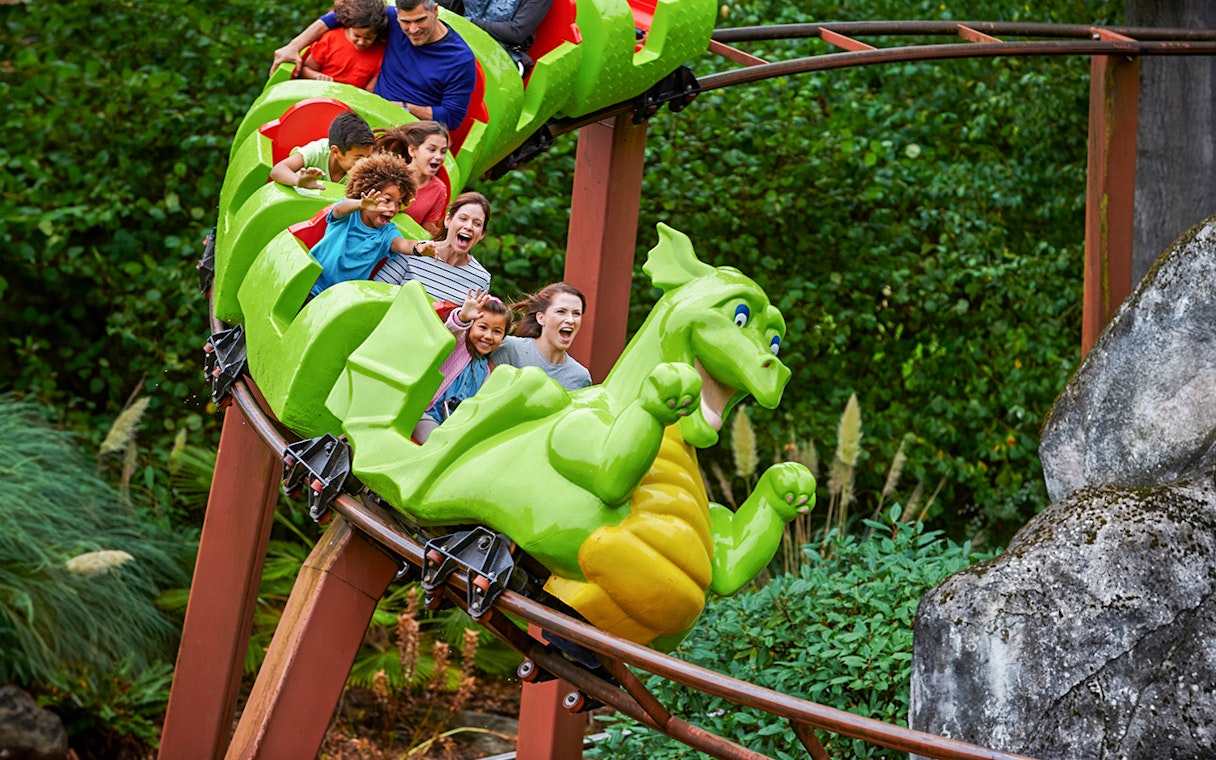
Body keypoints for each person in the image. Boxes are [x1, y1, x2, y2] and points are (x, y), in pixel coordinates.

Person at [272, 0, 476, 129]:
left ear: (436, 11)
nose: (413, 29)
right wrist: (294, 45)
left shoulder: (459, 58)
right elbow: (339, 14)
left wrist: (406, 108)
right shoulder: (392, 20)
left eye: (420, 20)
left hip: (413, 128)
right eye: (406, 21)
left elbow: (452, 117)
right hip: (368, 112)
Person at [308, 153, 418, 297]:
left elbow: (402, 244)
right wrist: (361, 204)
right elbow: (339, 209)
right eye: (387, 200)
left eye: (398, 203)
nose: (392, 208)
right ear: (366, 193)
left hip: (339, 298)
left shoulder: (387, 231)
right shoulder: (349, 214)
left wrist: (419, 247)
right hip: (311, 283)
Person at [414, 289, 513, 443]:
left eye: (497, 331)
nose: (488, 336)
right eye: (482, 327)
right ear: (470, 327)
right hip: (427, 414)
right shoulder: (459, 346)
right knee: (436, 444)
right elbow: (450, 332)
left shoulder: (486, 370)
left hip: (452, 427)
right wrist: (463, 317)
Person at [373, 191, 492, 304]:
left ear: (482, 234)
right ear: (448, 220)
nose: (469, 226)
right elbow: (377, 294)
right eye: (463, 219)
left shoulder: (481, 279)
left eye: (477, 224)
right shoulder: (414, 251)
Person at [491, 282, 591, 390]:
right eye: (561, 311)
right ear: (541, 318)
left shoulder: (580, 377)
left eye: (576, 313)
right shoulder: (509, 349)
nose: (570, 320)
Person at [373, 121, 451, 237]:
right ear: (413, 151)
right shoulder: (390, 174)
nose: (439, 157)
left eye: (443, 152)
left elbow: (426, 230)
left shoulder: (439, 189)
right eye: (431, 149)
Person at [438, 0, 552, 76]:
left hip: (503, 54)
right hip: (460, 40)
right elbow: (445, 6)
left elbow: (515, 32)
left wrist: (469, 22)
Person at [268, 110, 374, 189]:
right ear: (336, 151)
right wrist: (298, 181)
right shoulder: (317, 151)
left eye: (368, 157)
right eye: (358, 159)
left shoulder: (364, 171)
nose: (364, 164)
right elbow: (278, 170)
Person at [298, 0, 387, 90]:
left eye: (368, 39)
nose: (361, 42)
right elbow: (304, 69)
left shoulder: (381, 52)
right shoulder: (330, 39)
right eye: (357, 35)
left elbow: (370, 90)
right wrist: (316, 76)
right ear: (348, 25)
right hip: (322, 93)